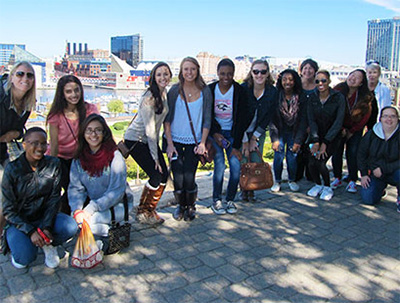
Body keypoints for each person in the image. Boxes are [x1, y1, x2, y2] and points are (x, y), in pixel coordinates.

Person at [2, 127, 78, 269]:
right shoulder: (12, 170)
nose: (40, 148)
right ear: (24, 144)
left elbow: (54, 198)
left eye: (43, 143)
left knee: (70, 227)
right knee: (24, 258)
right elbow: (8, 209)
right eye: (34, 143)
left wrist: (47, 227)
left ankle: (48, 244)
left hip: (44, 217)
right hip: (21, 222)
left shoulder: (53, 164)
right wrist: (30, 231)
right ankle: (21, 245)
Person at [69, 114, 133, 251]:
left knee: (87, 223)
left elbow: (116, 192)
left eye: (98, 130)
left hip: (118, 205)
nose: (93, 134)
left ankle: (109, 232)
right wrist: (77, 210)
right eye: (89, 130)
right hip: (95, 206)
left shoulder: (114, 156)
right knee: (75, 222)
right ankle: (105, 231)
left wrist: (90, 209)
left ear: (104, 133)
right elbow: (75, 188)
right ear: (83, 133)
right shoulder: (79, 159)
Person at [164, 57, 212, 221]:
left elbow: (207, 119)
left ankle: (191, 206)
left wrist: (203, 142)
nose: (189, 72)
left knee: (189, 176)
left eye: (192, 69)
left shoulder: (205, 91)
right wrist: (169, 144)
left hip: (195, 141)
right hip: (175, 140)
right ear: (181, 71)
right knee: (178, 176)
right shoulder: (174, 91)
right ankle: (181, 205)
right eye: (186, 69)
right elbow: (167, 119)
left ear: (197, 70)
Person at [124, 62, 172, 225]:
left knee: (164, 175)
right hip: (136, 140)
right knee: (156, 173)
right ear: (153, 77)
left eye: (165, 74)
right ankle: (144, 212)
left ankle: (146, 208)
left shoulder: (164, 93)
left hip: (148, 140)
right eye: (159, 74)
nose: (163, 77)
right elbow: (151, 130)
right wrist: (156, 158)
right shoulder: (149, 97)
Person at [47, 75, 99, 214]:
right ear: (62, 94)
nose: (74, 94)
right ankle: (66, 218)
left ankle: (78, 218)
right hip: (62, 158)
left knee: (87, 189)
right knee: (71, 188)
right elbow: (54, 145)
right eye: (68, 91)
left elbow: (99, 132)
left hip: (81, 157)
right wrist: (52, 168)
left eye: (77, 90)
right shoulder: (56, 115)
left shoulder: (89, 109)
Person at [208, 58, 252, 215]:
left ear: (234, 74)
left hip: (233, 134)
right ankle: (216, 200)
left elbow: (242, 119)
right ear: (217, 73)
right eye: (222, 74)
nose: (225, 77)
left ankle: (230, 199)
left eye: (229, 74)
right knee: (219, 165)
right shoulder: (211, 89)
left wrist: (236, 145)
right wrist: (215, 133)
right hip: (216, 134)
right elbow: (206, 115)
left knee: (235, 167)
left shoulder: (240, 91)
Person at [0, 61, 36, 250]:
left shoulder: (27, 105)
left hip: (3, 150)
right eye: (21, 74)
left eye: (30, 75)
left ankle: (10, 230)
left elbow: (18, 129)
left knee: (19, 185)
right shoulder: (1, 96)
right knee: (5, 193)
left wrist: (17, 134)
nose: (25, 79)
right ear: (12, 76)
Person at [240, 59, 278, 202]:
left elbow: (268, 115)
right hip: (242, 130)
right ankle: (244, 188)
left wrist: (254, 138)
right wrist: (245, 140)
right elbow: (238, 116)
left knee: (256, 159)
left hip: (258, 130)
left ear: (268, 73)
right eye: (256, 71)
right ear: (251, 73)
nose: (259, 75)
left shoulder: (272, 92)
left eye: (263, 71)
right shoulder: (244, 89)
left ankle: (253, 188)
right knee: (243, 159)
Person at [331, 69, 373, 193]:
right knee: (337, 151)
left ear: (361, 83)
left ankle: (352, 180)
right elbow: (332, 111)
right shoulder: (338, 90)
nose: (353, 78)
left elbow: (366, 116)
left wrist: (352, 131)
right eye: (351, 75)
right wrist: (341, 128)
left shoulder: (365, 96)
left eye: (357, 77)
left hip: (356, 128)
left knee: (353, 152)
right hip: (339, 126)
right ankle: (337, 177)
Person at [307, 70, 345, 201]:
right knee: (312, 162)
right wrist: (316, 140)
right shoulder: (312, 98)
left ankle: (328, 186)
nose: (320, 83)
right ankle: (318, 184)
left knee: (321, 161)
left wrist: (325, 142)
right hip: (317, 134)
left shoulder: (338, 97)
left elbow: (338, 122)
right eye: (317, 81)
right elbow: (311, 120)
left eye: (323, 80)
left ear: (329, 81)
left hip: (333, 136)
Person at [270, 69, 307, 192]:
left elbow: (303, 121)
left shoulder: (301, 97)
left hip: (294, 132)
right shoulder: (276, 95)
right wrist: (274, 139)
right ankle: (278, 181)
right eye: (285, 79)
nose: (288, 82)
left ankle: (291, 180)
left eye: (291, 79)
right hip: (279, 131)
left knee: (292, 157)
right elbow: (273, 119)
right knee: (278, 156)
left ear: (295, 81)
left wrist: (298, 140)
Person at [358, 106, 399, 211]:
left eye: (392, 116)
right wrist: (363, 174)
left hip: (395, 171)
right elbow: (362, 154)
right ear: (380, 118)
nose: (389, 119)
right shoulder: (371, 134)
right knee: (368, 199)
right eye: (385, 116)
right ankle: (381, 190)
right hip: (376, 172)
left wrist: (384, 169)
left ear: (397, 119)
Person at [296, 59, 319, 182]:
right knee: (299, 148)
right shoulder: (297, 85)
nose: (308, 71)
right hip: (298, 122)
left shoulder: (318, 86)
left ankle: (311, 174)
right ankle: (297, 174)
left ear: (315, 70)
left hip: (314, 122)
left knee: (310, 149)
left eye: (310, 68)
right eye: (305, 68)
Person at [365, 60, 392, 129]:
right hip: (362, 119)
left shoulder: (384, 89)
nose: (372, 75)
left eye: (375, 72)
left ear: (379, 74)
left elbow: (386, 107)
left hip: (376, 121)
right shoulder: (362, 88)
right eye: (370, 72)